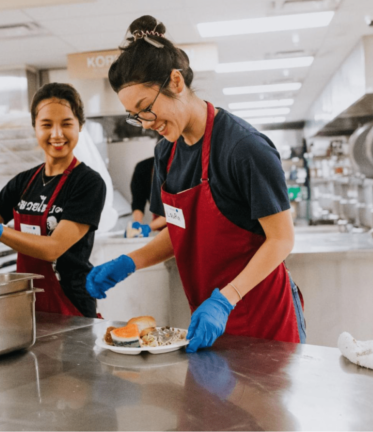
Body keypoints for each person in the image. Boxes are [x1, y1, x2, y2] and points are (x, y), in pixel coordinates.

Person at [86, 16, 306, 352]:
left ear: (175, 81)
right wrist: (131, 261)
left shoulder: (244, 148)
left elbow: (281, 239)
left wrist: (226, 299)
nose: (145, 123)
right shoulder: (166, 154)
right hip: (207, 320)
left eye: (146, 108)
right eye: (135, 116)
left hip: (262, 318)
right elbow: (181, 234)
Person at [0, 83, 106, 318]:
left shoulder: (88, 183)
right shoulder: (24, 182)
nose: (57, 134)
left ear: (80, 126)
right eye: (46, 125)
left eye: (66, 124)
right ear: (35, 127)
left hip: (72, 306)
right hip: (29, 301)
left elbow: (53, 249)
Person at [127, 156, 166, 238]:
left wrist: (149, 227)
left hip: (183, 226)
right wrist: (137, 224)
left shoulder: (184, 169)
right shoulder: (143, 168)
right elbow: (138, 201)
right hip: (159, 225)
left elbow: (179, 211)